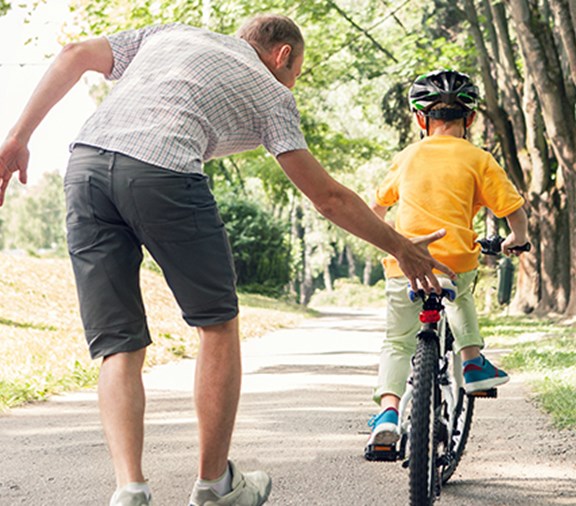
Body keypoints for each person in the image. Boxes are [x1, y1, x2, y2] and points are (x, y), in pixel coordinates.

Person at [0, 16, 455, 506]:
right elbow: (327, 198)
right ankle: (215, 486)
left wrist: (17, 138)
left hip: (85, 168)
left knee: (118, 344)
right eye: (297, 71)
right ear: (282, 56)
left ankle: (130, 489)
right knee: (217, 325)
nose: (294, 82)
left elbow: (73, 53)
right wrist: (400, 246)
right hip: (164, 171)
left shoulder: (167, 33)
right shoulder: (273, 91)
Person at [366, 69, 529, 450]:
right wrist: (516, 239)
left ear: (421, 119)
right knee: (462, 294)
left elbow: (376, 208)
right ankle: (472, 361)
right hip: (454, 258)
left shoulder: (407, 156)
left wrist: (389, 243)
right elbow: (513, 210)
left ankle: (388, 412)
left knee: (397, 341)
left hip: (405, 262)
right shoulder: (479, 158)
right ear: (469, 119)